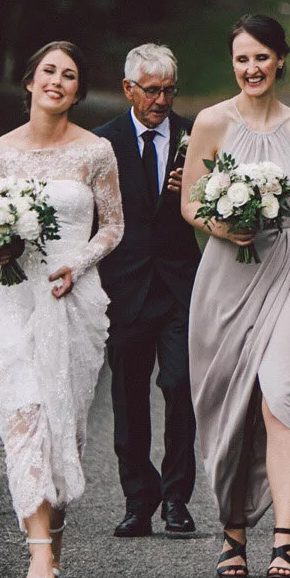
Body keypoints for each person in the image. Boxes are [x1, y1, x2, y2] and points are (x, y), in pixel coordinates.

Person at [0, 41, 125, 578]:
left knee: (66, 423)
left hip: (72, 298)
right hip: (12, 297)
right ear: (30, 81)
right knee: (25, 414)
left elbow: (112, 226)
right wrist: (0, 251)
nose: (57, 81)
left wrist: (77, 264)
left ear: (78, 92)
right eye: (48, 71)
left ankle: (52, 535)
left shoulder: (94, 153)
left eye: (69, 76)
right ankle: (38, 553)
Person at [182, 15, 290, 578]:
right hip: (226, 278)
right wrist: (221, 226)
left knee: (280, 398)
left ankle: (285, 542)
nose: (252, 68)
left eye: (262, 57)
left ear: (281, 59)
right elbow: (192, 204)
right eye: (242, 59)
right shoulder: (211, 122)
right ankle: (233, 531)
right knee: (230, 405)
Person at [95, 43, 199, 539]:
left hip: (181, 286)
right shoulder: (102, 144)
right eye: (152, 90)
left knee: (180, 387)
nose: (162, 100)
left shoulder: (195, 136)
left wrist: (195, 192)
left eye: (169, 90)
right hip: (125, 288)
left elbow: (215, 210)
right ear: (128, 89)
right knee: (128, 395)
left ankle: (177, 497)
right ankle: (138, 499)